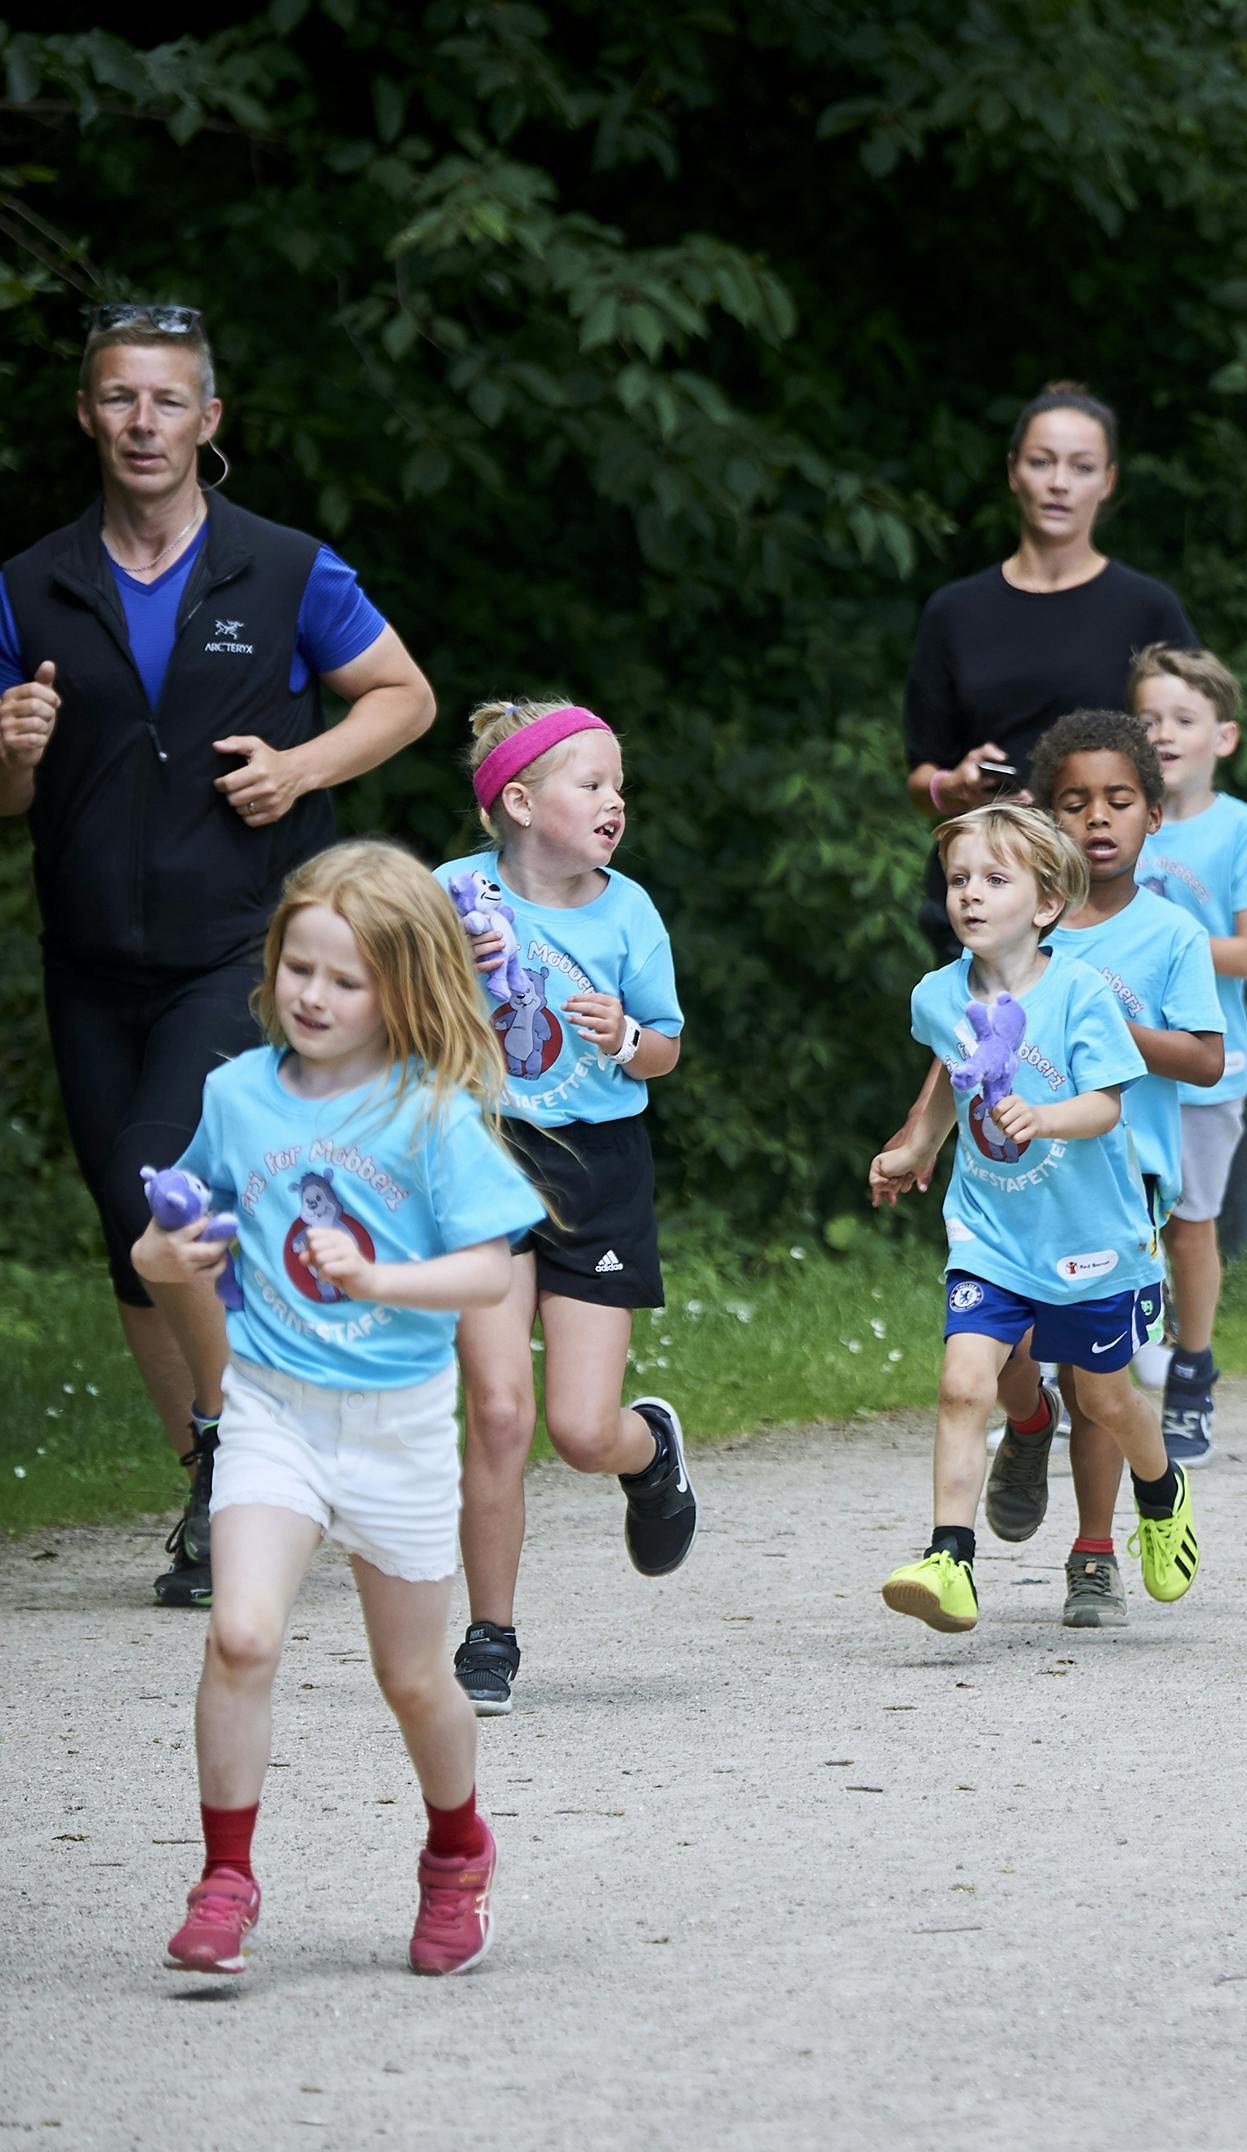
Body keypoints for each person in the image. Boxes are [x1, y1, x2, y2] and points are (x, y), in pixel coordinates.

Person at [0, 302, 437, 1610]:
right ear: (89, 414)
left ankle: (245, 1463)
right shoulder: (29, 585)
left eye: (168, 399)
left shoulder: (283, 567)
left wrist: (302, 767)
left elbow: (403, 697)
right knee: (125, 1224)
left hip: (240, 950)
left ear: (209, 421)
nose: (144, 422)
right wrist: (12, 752)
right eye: (120, 398)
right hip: (88, 953)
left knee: (154, 1194)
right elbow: (6, 802)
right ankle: (213, 1476)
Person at [142, 842, 544, 1979]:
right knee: (241, 1632)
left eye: (346, 978)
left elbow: (483, 1273)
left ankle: (457, 1850)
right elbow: (163, 1238)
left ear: (404, 989)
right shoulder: (237, 1095)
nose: (313, 996)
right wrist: (163, 1245)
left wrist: (376, 1280)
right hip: (271, 1409)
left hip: (398, 1430)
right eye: (298, 967)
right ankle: (226, 1878)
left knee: (413, 1679)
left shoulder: (431, 1114)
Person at [867, 805, 1200, 1634]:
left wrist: (1047, 1118)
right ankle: (950, 1558)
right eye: (957, 880)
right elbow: (953, 1075)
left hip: (1093, 1241)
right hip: (991, 1232)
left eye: (993, 879)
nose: (970, 896)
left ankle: (1160, 1496)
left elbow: (1107, 1103)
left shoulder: (1081, 992)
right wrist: (919, 1148)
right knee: (960, 1385)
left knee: (1107, 1398)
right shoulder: (938, 995)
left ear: (1047, 903)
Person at [435, 701, 700, 1717]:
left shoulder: (628, 912)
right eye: (591, 782)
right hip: (480, 1156)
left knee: (580, 1430)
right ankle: (490, 1634)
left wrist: (626, 1034)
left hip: (597, 1167)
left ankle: (650, 1450)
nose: (614, 800)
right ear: (518, 799)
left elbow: (668, 1048)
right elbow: (383, 1009)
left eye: (617, 783)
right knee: (499, 1413)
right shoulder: (451, 894)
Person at [984, 709, 1226, 1627]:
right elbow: (964, 1044)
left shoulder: (1172, 935)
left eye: (1119, 800)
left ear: (1153, 815)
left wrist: (1100, 1030)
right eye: (1075, 802)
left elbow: (1206, 1058)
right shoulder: (1016, 924)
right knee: (1003, 1352)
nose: (1098, 818)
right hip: (1010, 1178)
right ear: (1045, 819)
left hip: (1126, 1183)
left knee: (1096, 1378)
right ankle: (1024, 1423)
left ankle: (1093, 1557)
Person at [901, 382, 1196, 956]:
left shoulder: (1149, 609)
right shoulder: (954, 612)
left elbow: (1190, 755)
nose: (1059, 483)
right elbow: (919, 778)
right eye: (1042, 462)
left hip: (1114, 903)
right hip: (987, 895)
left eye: (1081, 467)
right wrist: (954, 786)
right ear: (1014, 471)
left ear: (1108, 481)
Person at [1130, 644, 1247, 1464]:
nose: (1163, 734)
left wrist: (1166, 944)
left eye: (1183, 720)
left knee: (1191, 1228)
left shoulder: (1243, 830)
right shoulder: (1110, 823)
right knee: (1108, 1221)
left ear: (1222, 738)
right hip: (1115, 1068)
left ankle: (1191, 1374)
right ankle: (1079, 1376)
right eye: (1148, 719)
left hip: (1206, 1069)